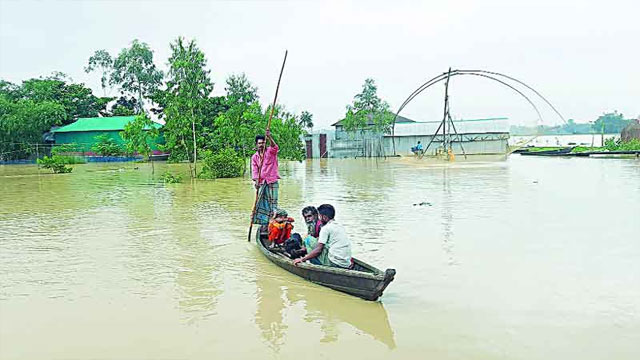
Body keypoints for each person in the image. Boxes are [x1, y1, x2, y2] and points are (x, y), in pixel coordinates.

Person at [293, 204, 352, 268]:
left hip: (334, 263)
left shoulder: (325, 228)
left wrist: (302, 259)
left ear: (324, 217)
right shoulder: (340, 226)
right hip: (346, 262)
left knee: (308, 239)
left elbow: (319, 250)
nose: (307, 219)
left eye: (319, 216)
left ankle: (317, 266)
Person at [251, 129, 279, 225]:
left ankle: (273, 219)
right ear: (256, 144)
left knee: (273, 202)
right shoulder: (255, 157)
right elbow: (255, 170)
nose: (261, 145)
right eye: (259, 143)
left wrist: (269, 136)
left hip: (272, 180)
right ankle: (263, 221)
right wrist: (256, 181)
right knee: (260, 202)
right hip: (262, 182)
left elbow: (275, 147)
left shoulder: (270, 152)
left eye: (263, 143)